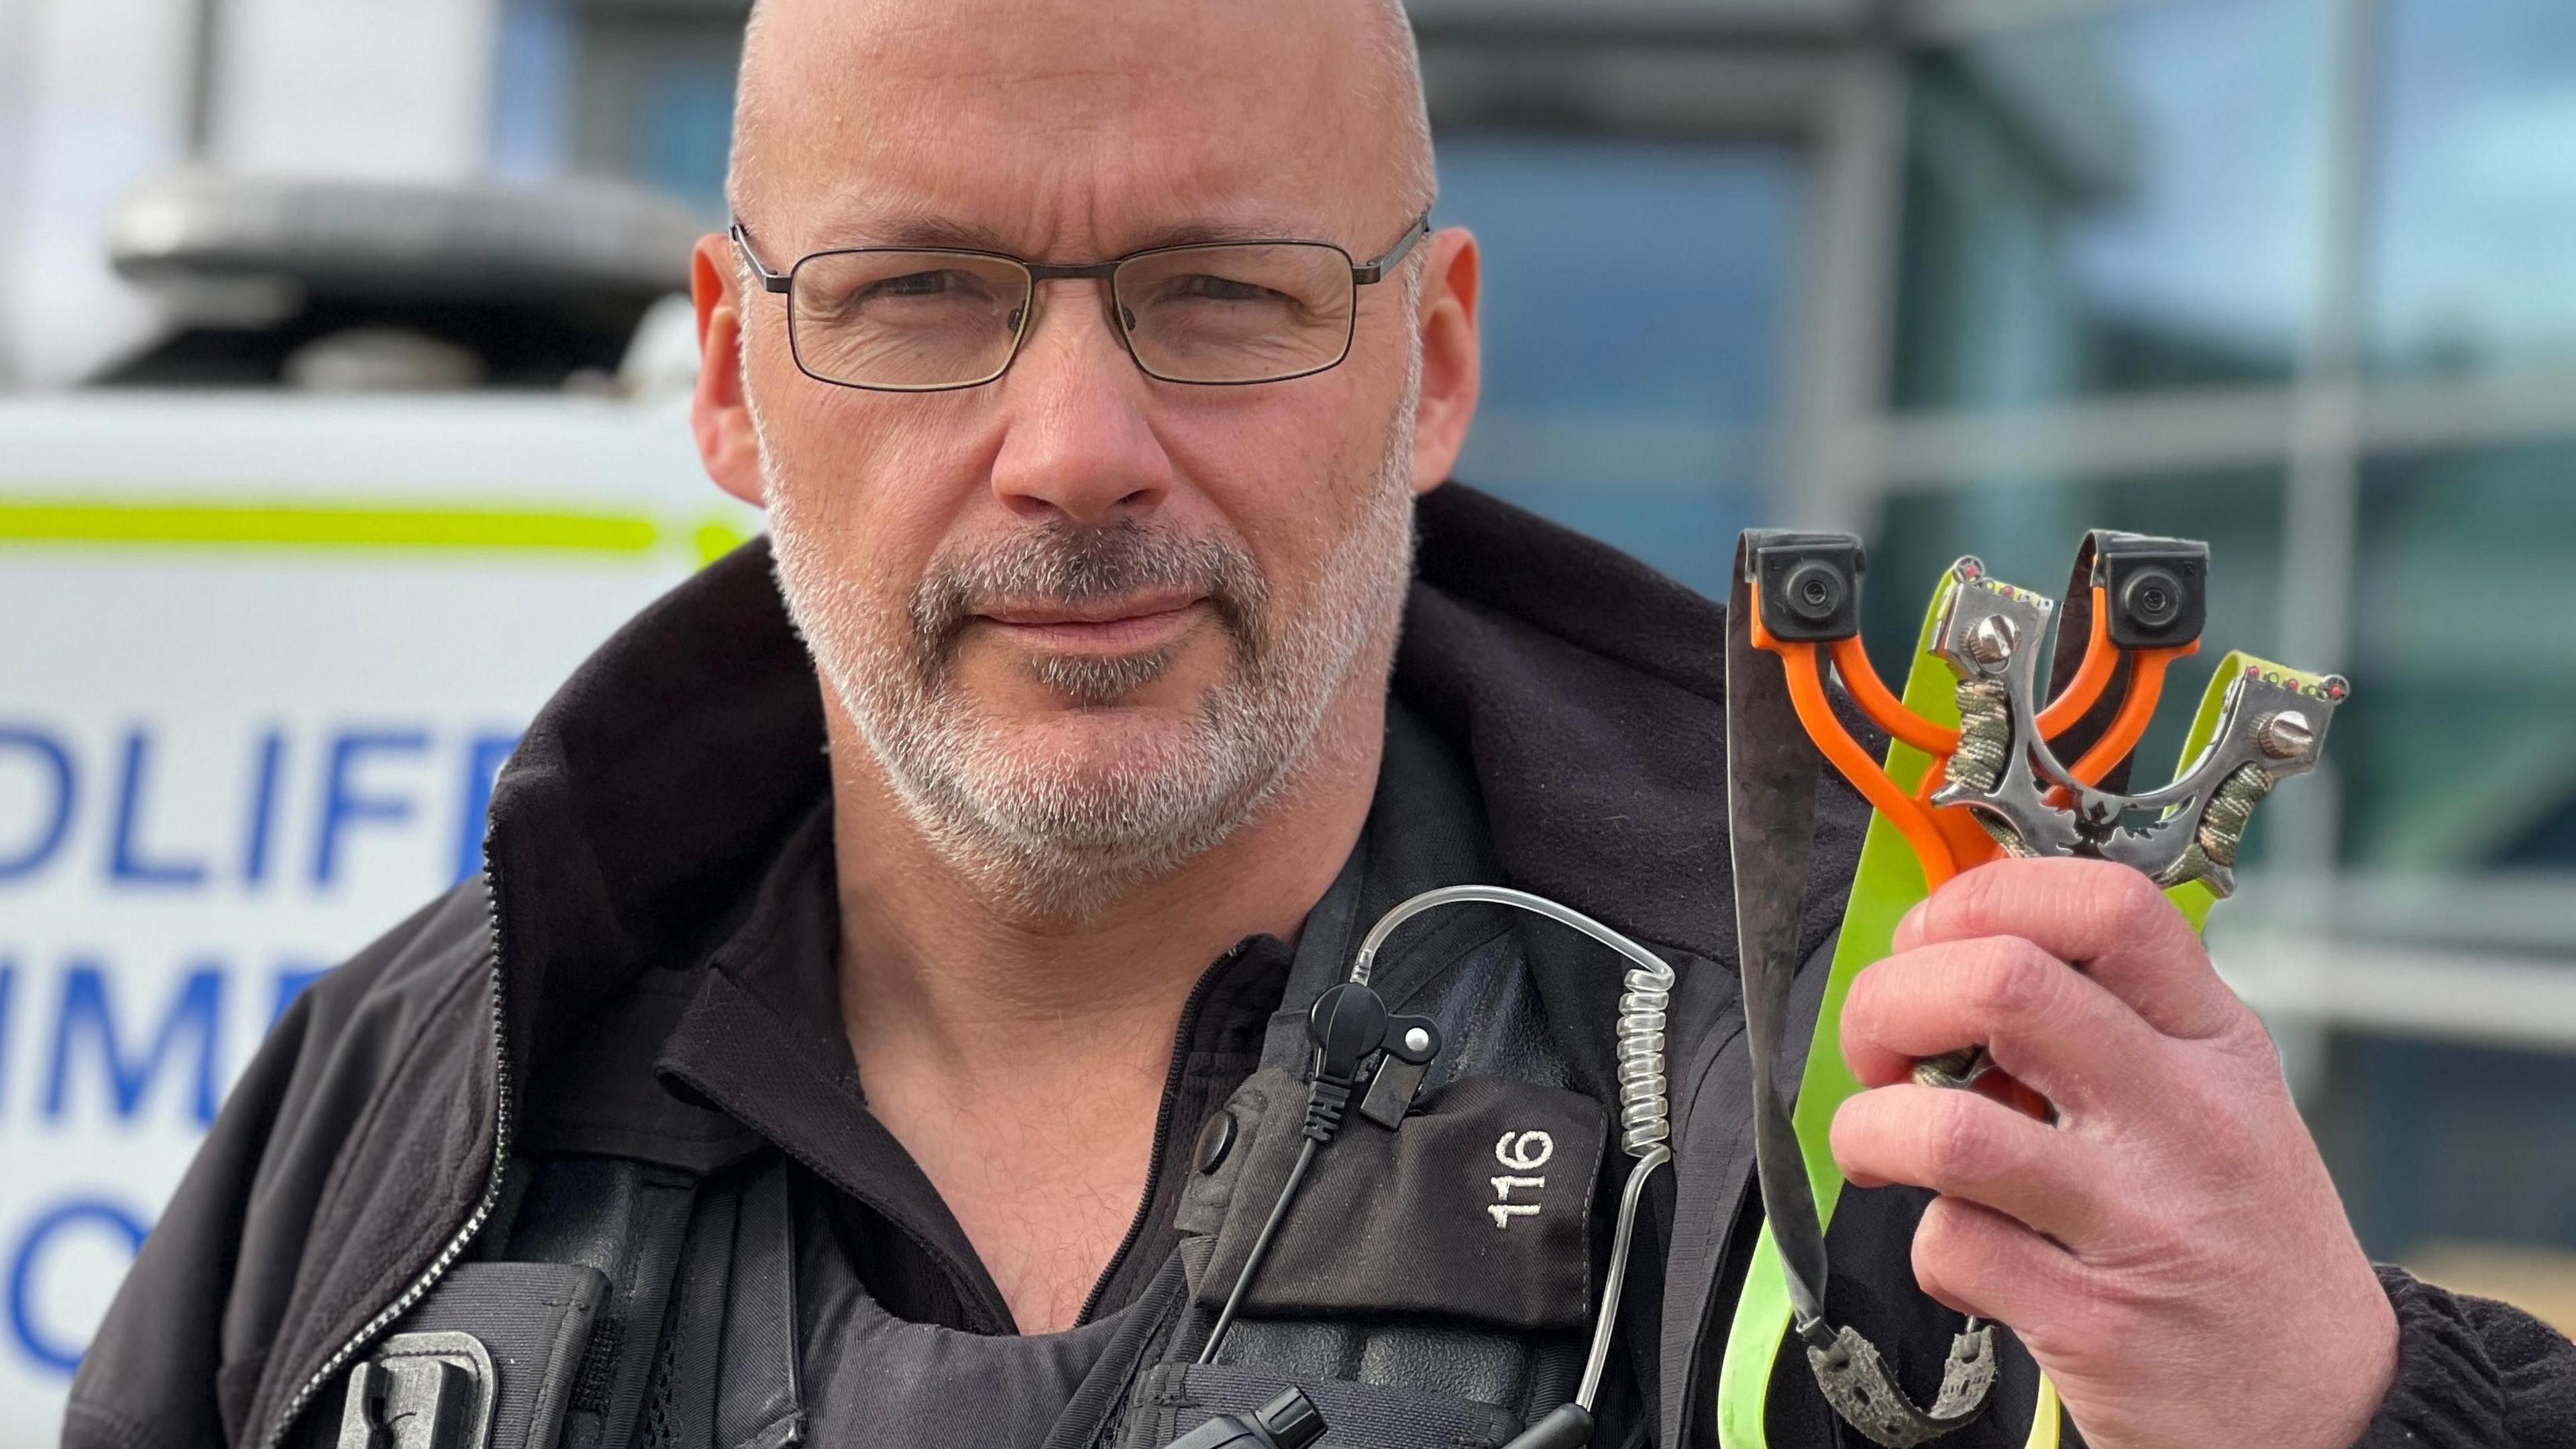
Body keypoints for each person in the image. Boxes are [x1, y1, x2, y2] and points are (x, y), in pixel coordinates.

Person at [66, 1, 2575, 1446]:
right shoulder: (400, 1118)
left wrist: (2353, 1417)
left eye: (1225, 295)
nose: (1072, 445)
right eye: (926, 292)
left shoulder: (1886, 1130)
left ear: (1436, 359)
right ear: (734, 378)